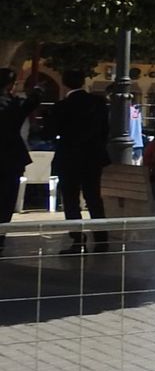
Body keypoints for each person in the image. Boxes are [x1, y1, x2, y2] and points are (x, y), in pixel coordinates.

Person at [48, 70, 111, 252]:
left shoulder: (62, 106)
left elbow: (50, 131)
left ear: (65, 84)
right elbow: (105, 130)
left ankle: (77, 240)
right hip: (93, 158)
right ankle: (101, 240)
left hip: (69, 158)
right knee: (94, 199)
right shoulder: (98, 103)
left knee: (70, 200)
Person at [0, 69, 43, 240]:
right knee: (7, 199)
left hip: (11, 157)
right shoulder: (14, 104)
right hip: (11, 157)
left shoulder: (13, 103)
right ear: (10, 85)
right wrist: (38, 91)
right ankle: (1, 237)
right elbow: (30, 104)